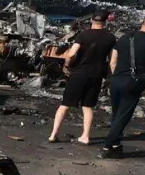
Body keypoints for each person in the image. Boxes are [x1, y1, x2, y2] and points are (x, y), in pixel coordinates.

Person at [100, 11, 145, 159]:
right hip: (133, 83)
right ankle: (107, 146)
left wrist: (116, 76)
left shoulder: (124, 38)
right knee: (123, 116)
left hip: (116, 81)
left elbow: (112, 62)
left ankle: (116, 145)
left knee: (117, 114)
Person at [47, 14, 116, 145]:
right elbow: (112, 62)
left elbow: (72, 54)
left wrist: (67, 65)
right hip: (96, 75)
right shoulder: (110, 38)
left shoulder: (83, 35)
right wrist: (108, 77)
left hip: (79, 74)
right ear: (105, 22)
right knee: (88, 106)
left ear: (91, 20)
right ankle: (85, 136)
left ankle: (53, 134)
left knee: (65, 105)